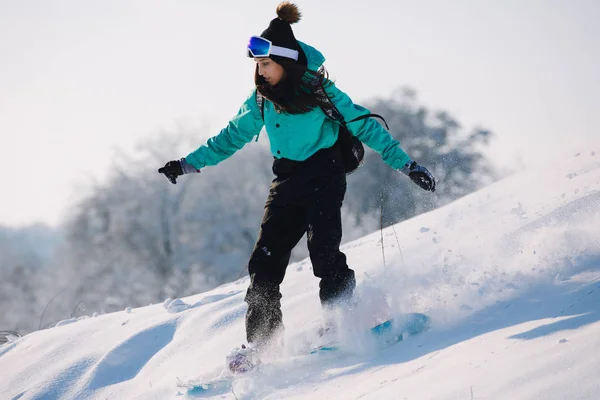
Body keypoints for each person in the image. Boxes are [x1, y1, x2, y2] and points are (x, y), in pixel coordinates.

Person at [158, 1, 435, 369]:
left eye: (266, 65)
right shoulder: (261, 100)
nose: (260, 72)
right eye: (257, 66)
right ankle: (262, 345)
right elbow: (230, 137)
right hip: (286, 182)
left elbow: (366, 125)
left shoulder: (320, 92)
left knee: (324, 252)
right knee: (263, 264)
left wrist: (407, 164)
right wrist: (188, 163)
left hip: (324, 177)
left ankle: (342, 323)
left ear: (285, 63)